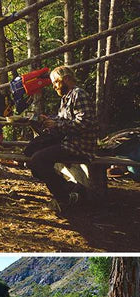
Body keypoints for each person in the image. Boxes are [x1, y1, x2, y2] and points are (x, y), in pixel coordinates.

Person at [26, 66, 98, 213]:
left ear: (66, 79)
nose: (53, 86)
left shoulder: (79, 94)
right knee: (29, 155)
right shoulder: (66, 97)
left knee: (38, 160)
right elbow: (63, 119)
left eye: (55, 82)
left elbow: (85, 123)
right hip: (68, 142)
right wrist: (49, 119)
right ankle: (70, 190)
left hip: (79, 145)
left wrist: (57, 123)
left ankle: (65, 197)